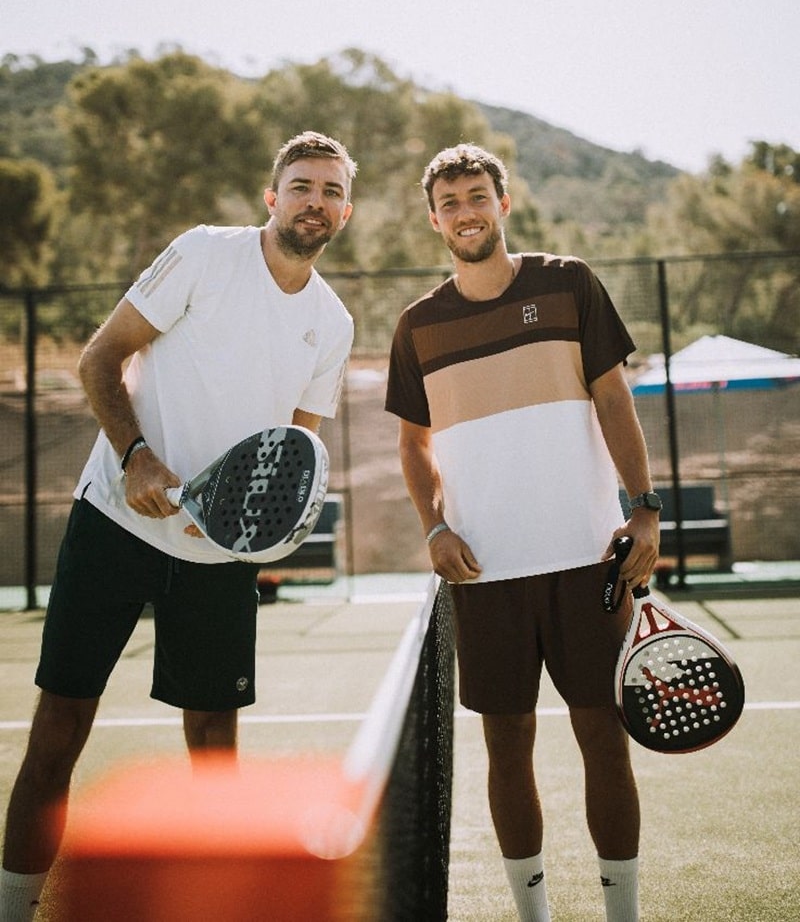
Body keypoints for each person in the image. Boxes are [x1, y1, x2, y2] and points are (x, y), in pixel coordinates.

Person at [0, 131, 357, 922]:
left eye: (332, 191)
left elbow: (292, 452)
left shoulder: (332, 324)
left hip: (215, 558)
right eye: (302, 186)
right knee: (59, 728)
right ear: (273, 197)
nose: (316, 202)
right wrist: (137, 458)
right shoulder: (203, 254)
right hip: (113, 523)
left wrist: (244, 527)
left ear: (346, 211)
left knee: (215, 749)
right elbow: (99, 358)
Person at [385, 144, 660, 922]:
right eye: (450, 202)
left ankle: (623, 916)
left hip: (588, 561)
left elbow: (614, 397)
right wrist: (434, 526)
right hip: (484, 574)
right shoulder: (417, 326)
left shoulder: (570, 283)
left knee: (604, 740)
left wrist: (644, 507)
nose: (466, 212)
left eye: (478, 196)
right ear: (434, 219)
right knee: (507, 752)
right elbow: (412, 444)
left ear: (503, 204)